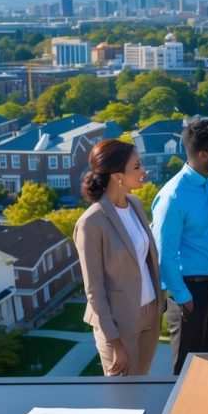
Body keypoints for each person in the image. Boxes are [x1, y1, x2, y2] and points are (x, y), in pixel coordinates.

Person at [73, 139, 164, 376]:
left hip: (151, 315)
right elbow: (94, 290)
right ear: (117, 175)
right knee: (123, 398)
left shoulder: (135, 204)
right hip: (119, 327)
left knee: (143, 387)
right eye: (137, 166)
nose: (144, 171)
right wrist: (115, 343)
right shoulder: (90, 223)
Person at [152, 119, 208, 375]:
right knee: (184, 373)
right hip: (190, 293)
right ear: (203, 154)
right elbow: (164, 254)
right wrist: (183, 297)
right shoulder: (172, 196)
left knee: (207, 368)